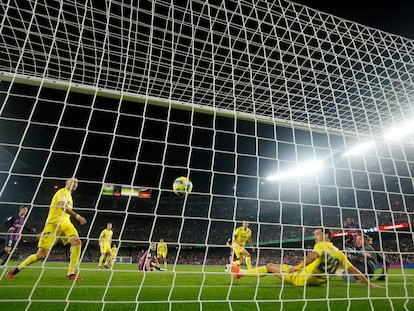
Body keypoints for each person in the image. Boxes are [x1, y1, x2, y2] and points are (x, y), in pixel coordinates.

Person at [231, 228, 382, 289]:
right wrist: (370, 284)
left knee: (270, 266)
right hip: (320, 281)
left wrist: (296, 268)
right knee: (282, 265)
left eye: (317, 234)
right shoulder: (339, 252)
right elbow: (353, 270)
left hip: (303, 278)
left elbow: (312, 256)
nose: (315, 237)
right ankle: (242, 271)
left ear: (326, 236)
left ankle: (241, 273)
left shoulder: (321, 246)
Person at [7, 178, 87, 280]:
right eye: (72, 181)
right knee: (41, 255)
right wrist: (78, 216)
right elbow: (62, 206)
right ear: (66, 183)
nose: (75, 184)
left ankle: (71, 273)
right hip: (53, 225)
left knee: (77, 242)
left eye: (76, 182)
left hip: (66, 224)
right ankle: (18, 268)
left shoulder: (70, 196)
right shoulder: (62, 192)